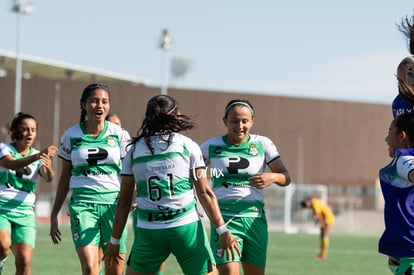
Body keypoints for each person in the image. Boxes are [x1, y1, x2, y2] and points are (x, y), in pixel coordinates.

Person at [104, 94, 240, 275]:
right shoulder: (188, 145)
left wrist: (114, 241)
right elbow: (205, 193)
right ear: (174, 117)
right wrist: (222, 230)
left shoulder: (134, 151)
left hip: (149, 232)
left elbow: (124, 202)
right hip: (185, 228)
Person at [200, 99, 291, 275]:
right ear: (225, 121)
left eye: (245, 121)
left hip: (255, 220)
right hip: (225, 219)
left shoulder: (262, 144)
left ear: (252, 121)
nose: (240, 126)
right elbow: (194, 176)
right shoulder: (209, 146)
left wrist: (272, 177)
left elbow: (286, 177)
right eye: (234, 121)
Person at [49, 83, 130, 275]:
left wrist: (132, 196)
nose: (99, 106)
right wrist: (54, 213)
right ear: (83, 105)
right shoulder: (71, 135)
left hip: (114, 206)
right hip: (83, 206)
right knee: (90, 269)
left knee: (114, 271)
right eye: (94, 101)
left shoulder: (120, 135)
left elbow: (130, 173)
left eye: (104, 101)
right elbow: (64, 177)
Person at [106, 112, 166, 275]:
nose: (116, 128)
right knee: (102, 252)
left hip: (136, 203)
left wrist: (133, 195)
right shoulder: (103, 155)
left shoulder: (133, 150)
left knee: (150, 243)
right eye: (112, 125)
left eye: (118, 125)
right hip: (109, 204)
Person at [0, 112, 57, 275]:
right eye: (25, 129)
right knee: (2, 245)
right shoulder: (4, 148)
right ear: (15, 131)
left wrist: (48, 168)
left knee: (24, 261)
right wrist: (39, 156)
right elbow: (11, 164)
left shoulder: (38, 155)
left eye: (33, 129)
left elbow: (48, 177)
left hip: (25, 213)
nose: (30, 133)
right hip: (2, 209)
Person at [378, 112, 414, 275]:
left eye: (389, 132)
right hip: (403, 254)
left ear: (402, 136)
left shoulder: (404, 160)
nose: (386, 139)